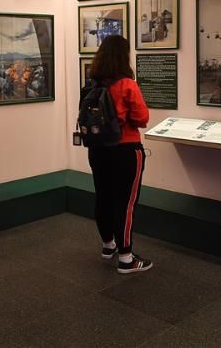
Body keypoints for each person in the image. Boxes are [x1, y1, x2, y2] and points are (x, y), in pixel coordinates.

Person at [83, 35, 152, 274]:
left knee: (103, 197)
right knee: (126, 203)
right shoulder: (127, 84)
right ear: (124, 56)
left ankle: (108, 246)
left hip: (97, 149)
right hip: (125, 151)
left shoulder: (93, 84)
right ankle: (126, 258)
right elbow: (142, 119)